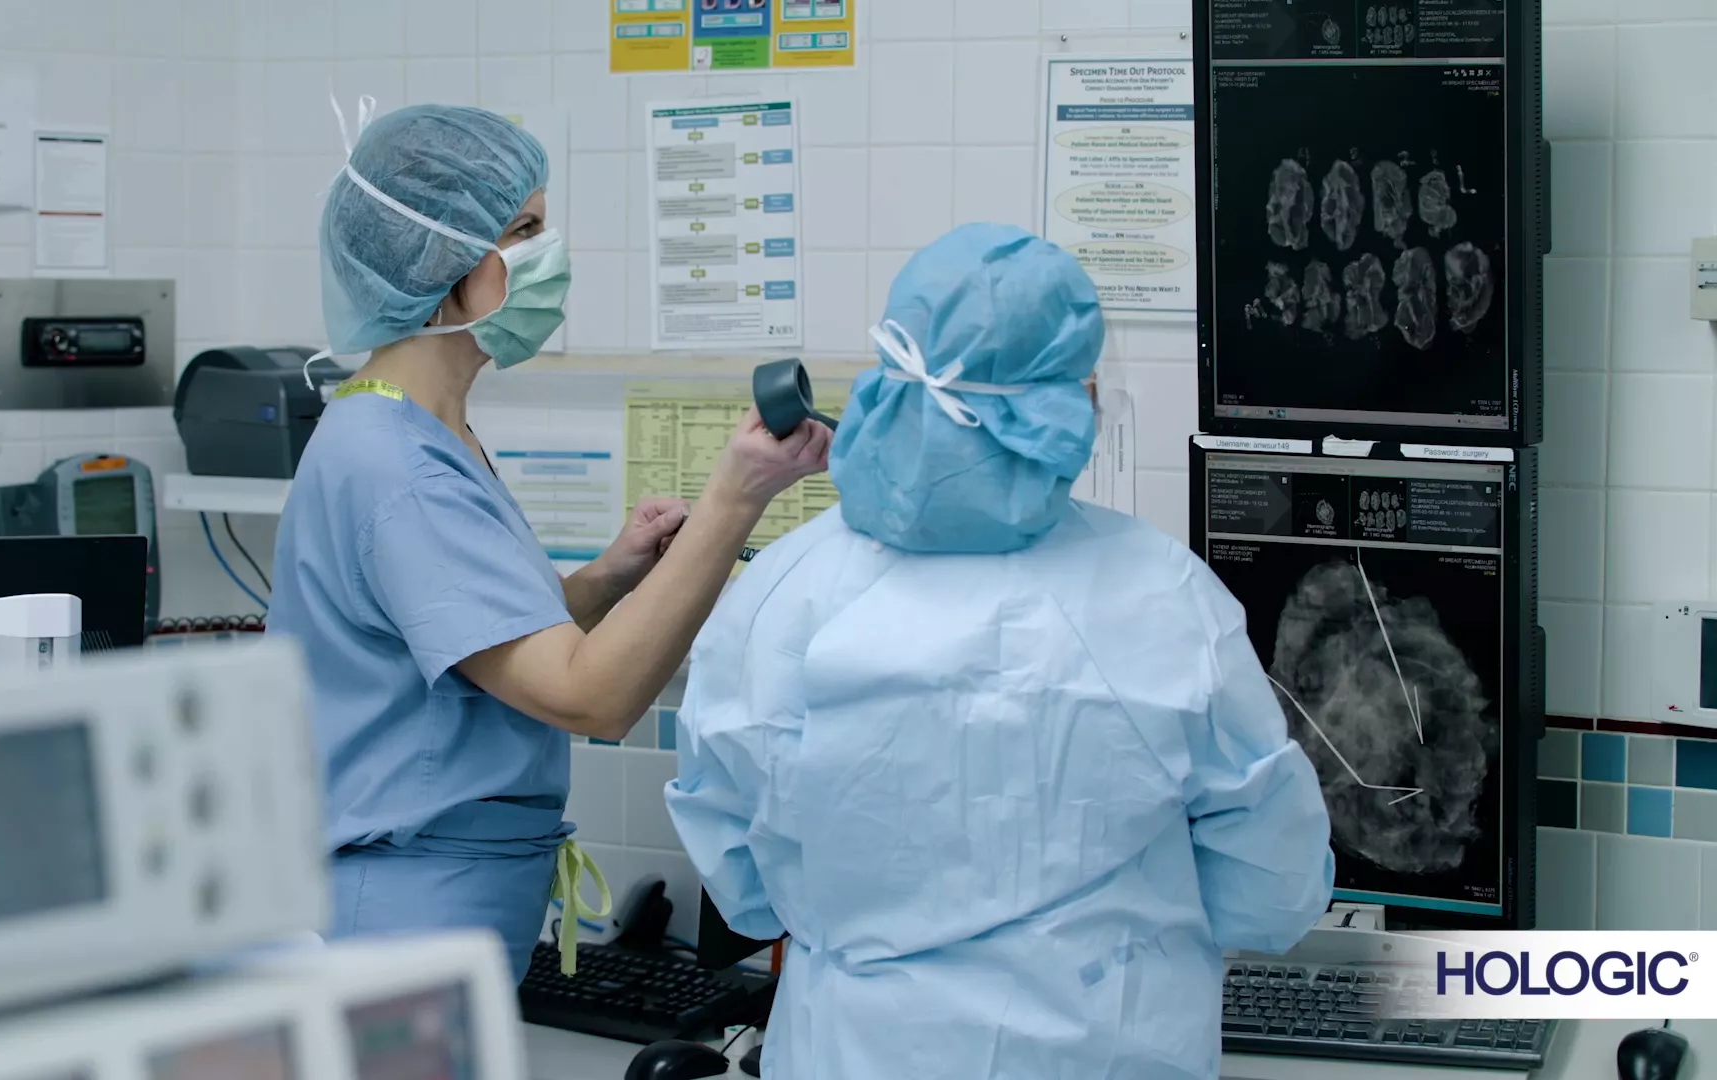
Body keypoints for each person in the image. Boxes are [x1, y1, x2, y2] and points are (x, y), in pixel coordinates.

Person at [664, 223, 1335, 1080]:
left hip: (852, 1051)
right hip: (1103, 1050)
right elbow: (1267, 890)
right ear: (1052, 409)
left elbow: (743, 889)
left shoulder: (778, 592)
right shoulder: (1160, 595)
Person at [266, 102, 831, 982]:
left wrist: (610, 576)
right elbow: (588, 699)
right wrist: (736, 496)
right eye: (524, 230)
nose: (549, 252)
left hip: (442, 898)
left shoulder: (421, 432)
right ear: (445, 264)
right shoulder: (398, 470)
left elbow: (470, 647)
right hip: (401, 917)